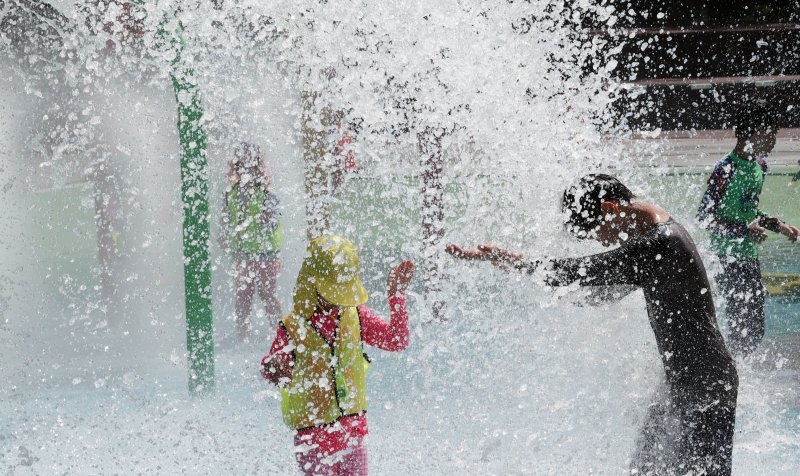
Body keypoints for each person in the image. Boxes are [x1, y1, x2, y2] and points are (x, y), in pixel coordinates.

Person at [447, 174, 738, 476]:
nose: (602, 241)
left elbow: (576, 272)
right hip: (681, 385)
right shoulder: (657, 239)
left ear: (610, 208)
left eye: (597, 232)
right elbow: (598, 292)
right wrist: (538, 280)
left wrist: (511, 259)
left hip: (707, 389)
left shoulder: (661, 243)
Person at [261, 235, 414, 476]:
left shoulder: (356, 315)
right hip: (312, 438)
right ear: (311, 283)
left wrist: (396, 297)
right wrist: (274, 368)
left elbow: (396, 341)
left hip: (353, 432)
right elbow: (272, 369)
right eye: (332, 294)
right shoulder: (292, 327)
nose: (338, 303)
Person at [696, 109, 799, 355]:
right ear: (752, 134)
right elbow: (704, 218)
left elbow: (750, 211)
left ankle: (733, 366)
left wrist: (779, 226)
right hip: (726, 256)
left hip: (749, 255)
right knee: (739, 324)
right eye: (770, 134)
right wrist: (743, 231)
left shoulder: (760, 166)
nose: (773, 141)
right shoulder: (725, 169)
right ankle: (725, 366)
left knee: (754, 328)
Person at [222, 142, 284, 340]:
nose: (246, 168)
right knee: (243, 297)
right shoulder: (230, 193)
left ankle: (279, 335)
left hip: (266, 254)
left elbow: (273, 222)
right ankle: (243, 336)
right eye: (241, 164)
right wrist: (223, 236)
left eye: (250, 164)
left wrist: (263, 215)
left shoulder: (267, 193)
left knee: (268, 295)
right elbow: (226, 219)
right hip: (241, 253)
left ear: (258, 166)